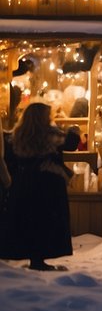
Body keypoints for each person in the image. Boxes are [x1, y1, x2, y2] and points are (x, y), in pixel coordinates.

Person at [0, 103, 72, 271]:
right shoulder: (49, 134)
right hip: (48, 184)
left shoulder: (17, 135)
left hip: (24, 184)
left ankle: (34, 257)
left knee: (29, 221)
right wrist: (73, 130)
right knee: (46, 222)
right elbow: (69, 142)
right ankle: (40, 259)